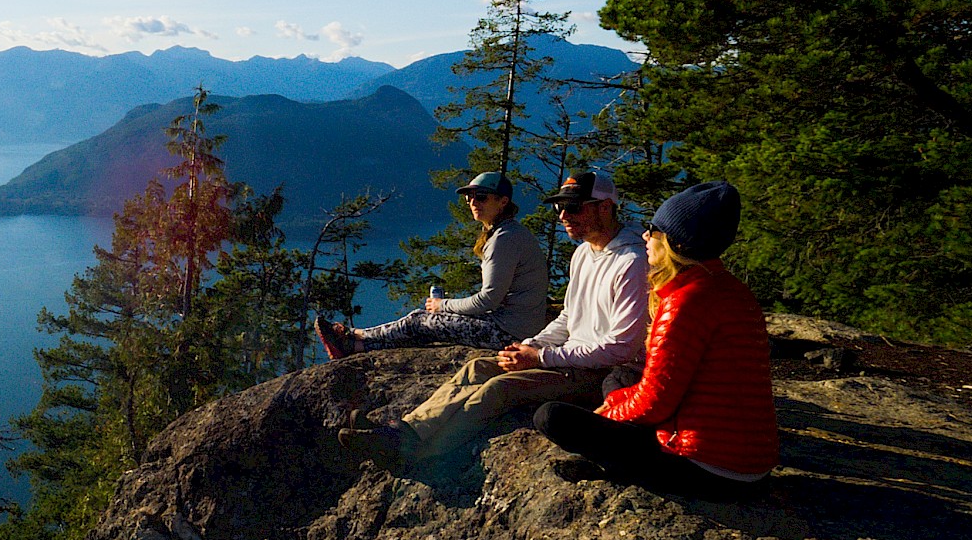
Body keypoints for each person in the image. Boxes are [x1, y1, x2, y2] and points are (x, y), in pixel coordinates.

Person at [345, 171, 647, 459]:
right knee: (477, 368)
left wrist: (540, 358)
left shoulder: (632, 263)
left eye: (573, 207)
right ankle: (403, 429)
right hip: (568, 358)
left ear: (606, 208)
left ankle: (411, 452)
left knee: (500, 389)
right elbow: (569, 317)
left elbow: (621, 348)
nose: (562, 216)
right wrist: (530, 345)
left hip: (602, 374)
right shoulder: (584, 254)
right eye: (559, 206)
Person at [533, 180, 777, 499]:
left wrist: (605, 415)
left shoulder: (685, 303)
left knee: (551, 417)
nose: (645, 236)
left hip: (705, 469)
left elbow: (655, 402)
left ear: (674, 242)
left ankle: (618, 469)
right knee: (619, 380)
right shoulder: (730, 289)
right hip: (748, 465)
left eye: (653, 229)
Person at [316, 172, 549, 357]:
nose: (472, 202)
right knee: (425, 324)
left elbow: (488, 299)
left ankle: (355, 337)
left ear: (503, 201)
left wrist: (443, 305)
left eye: (482, 196)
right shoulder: (509, 233)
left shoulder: (504, 239)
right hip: (513, 325)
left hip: (508, 334)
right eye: (469, 197)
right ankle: (357, 346)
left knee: (420, 321)